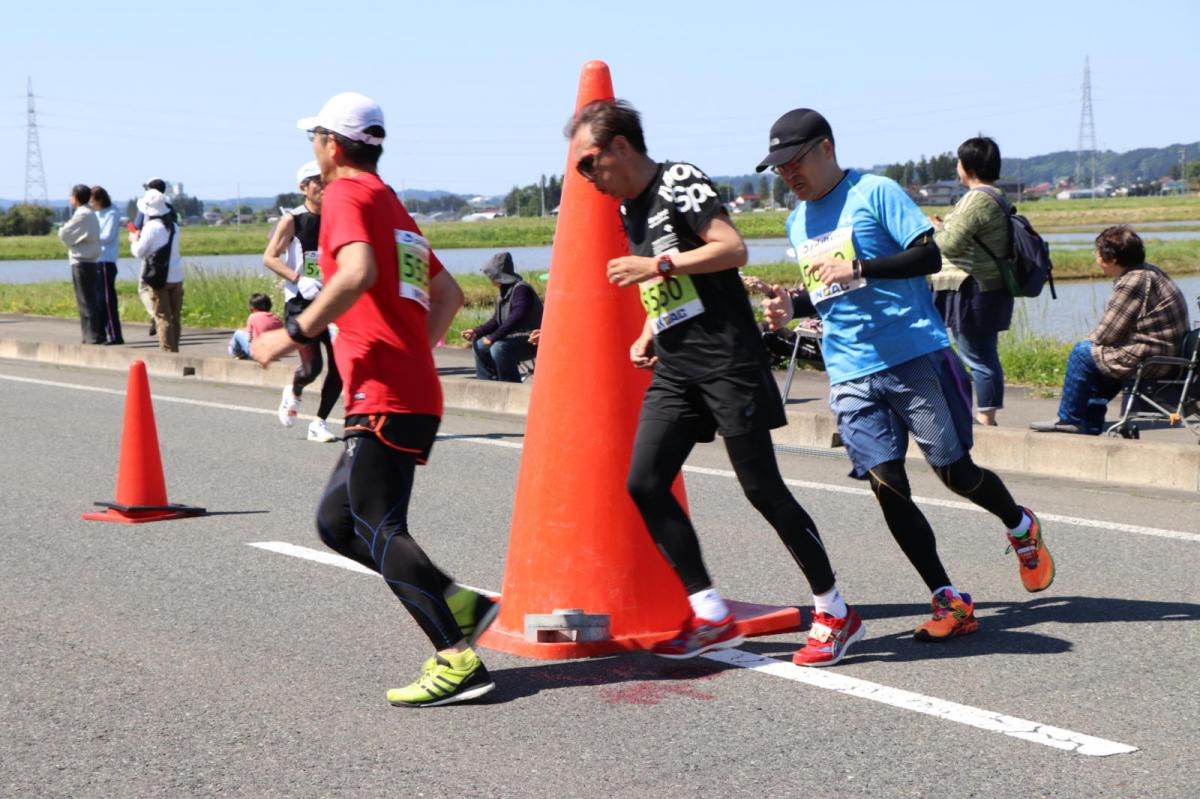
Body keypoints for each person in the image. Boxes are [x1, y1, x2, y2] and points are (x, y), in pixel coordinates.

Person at [567, 99, 863, 667]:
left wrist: (656, 268)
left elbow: (731, 248)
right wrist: (652, 327)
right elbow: (673, 286)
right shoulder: (628, 207)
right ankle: (710, 613)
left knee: (762, 490)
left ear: (620, 148)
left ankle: (834, 609)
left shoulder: (680, 179)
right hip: (678, 366)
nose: (585, 177)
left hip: (728, 359)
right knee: (644, 482)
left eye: (588, 163)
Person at [756, 108, 1055, 642]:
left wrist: (863, 267)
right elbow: (828, 290)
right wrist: (792, 304)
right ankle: (948, 598)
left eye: (794, 162)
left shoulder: (876, 192)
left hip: (914, 356)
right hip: (848, 369)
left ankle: (1020, 526)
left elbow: (929, 255)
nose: (788, 175)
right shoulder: (797, 220)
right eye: (778, 169)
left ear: (826, 148)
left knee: (954, 472)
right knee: (886, 487)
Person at [252, 91, 498, 707]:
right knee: (337, 524)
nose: (313, 149)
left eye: (315, 138)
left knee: (376, 524)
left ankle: (456, 658)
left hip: (386, 390)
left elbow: (356, 272)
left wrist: (294, 333)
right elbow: (449, 294)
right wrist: (410, 348)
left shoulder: (343, 194)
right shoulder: (390, 204)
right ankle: (461, 604)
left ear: (333, 145)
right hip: (404, 385)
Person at [1031, 225, 1189, 435]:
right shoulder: (1149, 271)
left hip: (1153, 358)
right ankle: (1089, 423)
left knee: (1082, 353)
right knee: (1099, 357)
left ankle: (1068, 418)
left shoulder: (1133, 281)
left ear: (1112, 258)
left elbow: (1106, 333)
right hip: (1165, 353)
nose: (1095, 258)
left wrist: (1088, 344)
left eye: (1097, 253)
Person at [930, 137, 1014, 426]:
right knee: (980, 352)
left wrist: (935, 231)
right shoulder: (995, 196)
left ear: (967, 166)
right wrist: (946, 227)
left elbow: (951, 244)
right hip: (983, 285)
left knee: (975, 354)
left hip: (971, 285)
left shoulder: (977, 198)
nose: (957, 166)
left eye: (958, 161)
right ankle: (984, 413)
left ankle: (985, 417)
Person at [262, 161, 343, 443]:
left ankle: (319, 423)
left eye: (327, 181)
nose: (323, 187)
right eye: (316, 182)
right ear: (303, 188)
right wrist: (298, 278)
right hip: (301, 302)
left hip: (331, 301)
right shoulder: (293, 219)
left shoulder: (338, 217)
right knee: (312, 368)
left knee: (340, 365)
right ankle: (294, 390)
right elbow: (269, 257)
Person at [462, 252, 543, 382]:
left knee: (499, 347)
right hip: (512, 338)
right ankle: (488, 383)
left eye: (491, 275)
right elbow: (496, 320)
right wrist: (476, 331)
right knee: (479, 344)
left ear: (498, 276)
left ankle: (509, 385)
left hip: (531, 340)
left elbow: (516, 317)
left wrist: (493, 337)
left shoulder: (522, 289)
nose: (489, 278)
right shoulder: (503, 291)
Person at [130, 189, 184, 352]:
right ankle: (175, 349)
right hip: (176, 276)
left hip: (159, 279)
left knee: (162, 317)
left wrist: (133, 240)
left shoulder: (151, 227)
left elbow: (139, 252)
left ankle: (169, 353)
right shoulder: (174, 226)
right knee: (175, 317)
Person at [58, 184, 104, 344]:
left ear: (76, 197)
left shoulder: (82, 214)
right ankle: (93, 334)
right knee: (90, 298)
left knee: (85, 300)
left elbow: (63, 233)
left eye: (71, 195)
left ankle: (92, 335)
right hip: (90, 260)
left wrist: (72, 242)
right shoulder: (90, 212)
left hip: (81, 260)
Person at [134, 178, 175, 337]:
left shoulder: (148, 205)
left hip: (152, 255)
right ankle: (165, 318)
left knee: (144, 287)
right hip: (170, 255)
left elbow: (137, 224)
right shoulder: (168, 206)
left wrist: (134, 238)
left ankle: (155, 315)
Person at [90, 186, 124, 345]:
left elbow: (107, 236)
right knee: (96, 300)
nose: (91, 204)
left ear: (100, 200)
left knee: (107, 300)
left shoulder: (112, 213)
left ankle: (115, 335)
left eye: (93, 200)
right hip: (93, 259)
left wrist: (89, 237)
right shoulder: (94, 214)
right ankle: (101, 334)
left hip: (106, 260)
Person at [228, 293, 282, 359]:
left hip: (256, 353)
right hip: (272, 353)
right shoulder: (276, 318)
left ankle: (237, 353)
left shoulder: (252, 317)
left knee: (238, 333)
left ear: (252, 308)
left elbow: (249, 338)